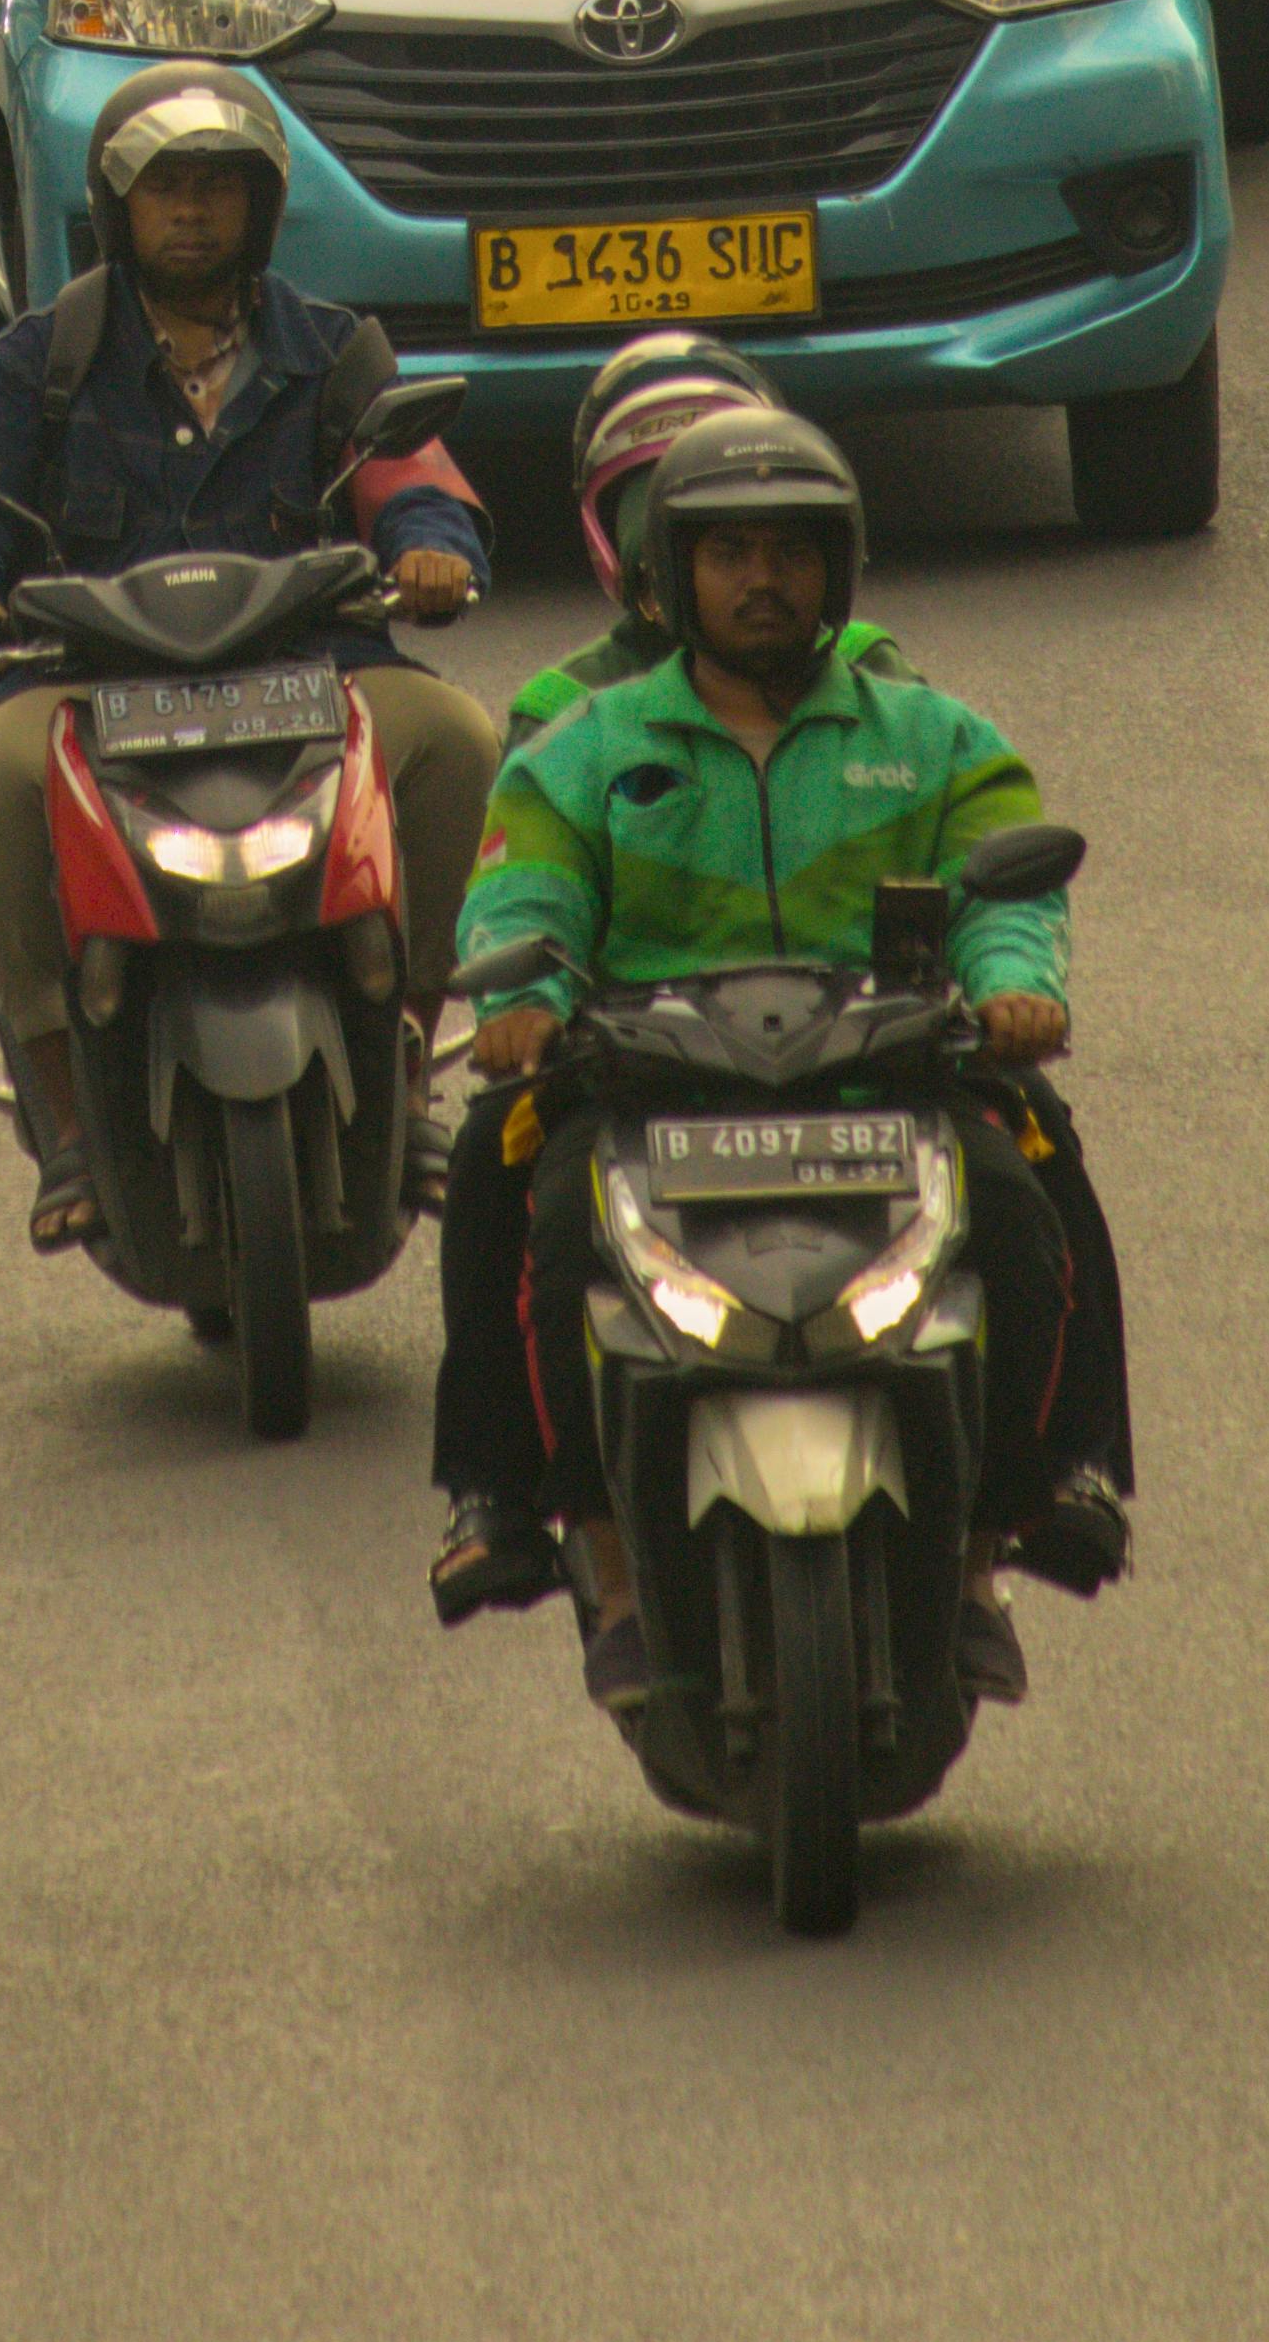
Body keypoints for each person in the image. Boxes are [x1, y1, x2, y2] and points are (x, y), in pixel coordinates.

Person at [451, 405, 1131, 1716]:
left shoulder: (932, 735)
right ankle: (563, 1537)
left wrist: (1010, 991)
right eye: (728, 554)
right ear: (669, 575)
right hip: (643, 1090)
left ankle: (1018, 1522)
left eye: (788, 553)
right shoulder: (582, 748)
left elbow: (1009, 887)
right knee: (513, 1190)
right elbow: (518, 897)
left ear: (836, 569)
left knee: (1032, 1187)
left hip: (892, 1079)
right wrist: (525, 999)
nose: (761, 580)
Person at [0, 60, 499, 1254]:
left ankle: (409, 1049)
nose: (188, 211)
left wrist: (429, 551)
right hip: (89, 681)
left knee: (458, 742)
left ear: (260, 205)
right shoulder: (40, 360)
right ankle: (64, 1100)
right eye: (163, 187)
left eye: (215, 187)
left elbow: (415, 482)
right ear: (115, 206)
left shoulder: (331, 351)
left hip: (308, 668)